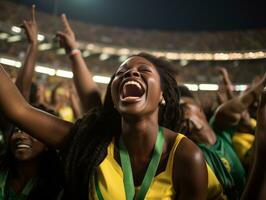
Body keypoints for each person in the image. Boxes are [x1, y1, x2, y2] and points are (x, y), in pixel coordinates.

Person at [0, 50, 208, 199]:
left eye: (143, 70)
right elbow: (19, 109)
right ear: (114, 98)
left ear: (162, 95)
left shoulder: (186, 156)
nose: (131, 73)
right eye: (120, 72)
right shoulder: (89, 141)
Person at [0, 5, 64, 199]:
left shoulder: (58, 186)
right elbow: (17, 97)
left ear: (48, 142)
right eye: (18, 130)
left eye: (31, 131)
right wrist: (33, 45)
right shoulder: (3, 173)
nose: (21, 136)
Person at [178, 74, 266, 200]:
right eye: (175, 113)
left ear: (199, 107)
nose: (180, 114)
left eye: (183, 106)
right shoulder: (191, 155)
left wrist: (262, 85)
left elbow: (232, 110)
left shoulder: (220, 132)